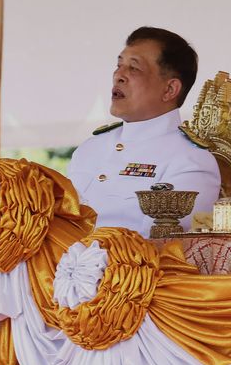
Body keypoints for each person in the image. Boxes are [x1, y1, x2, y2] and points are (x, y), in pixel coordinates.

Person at [68, 27, 221, 237]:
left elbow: (167, 249)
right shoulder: (89, 149)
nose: (118, 75)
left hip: (130, 267)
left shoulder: (192, 161)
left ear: (169, 90)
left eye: (134, 68)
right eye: (119, 64)